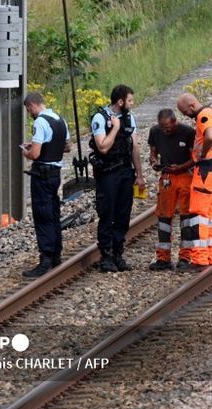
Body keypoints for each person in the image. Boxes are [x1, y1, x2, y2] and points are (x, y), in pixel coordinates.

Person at [89, 84, 145, 272]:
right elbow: (103, 147)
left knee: (123, 214)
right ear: (120, 102)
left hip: (125, 172)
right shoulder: (101, 118)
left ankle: (118, 253)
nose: (132, 103)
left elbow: (135, 147)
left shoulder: (129, 118)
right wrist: (115, 129)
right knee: (107, 213)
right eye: (129, 100)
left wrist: (139, 174)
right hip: (108, 173)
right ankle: (105, 256)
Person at [21, 92, 71, 278]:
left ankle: (46, 258)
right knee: (53, 212)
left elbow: (35, 154)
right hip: (55, 173)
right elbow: (67, 147)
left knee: (42, 215)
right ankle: (56, 253)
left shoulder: (40, 122)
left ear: (33, 105)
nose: (29, 113)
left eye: (28, 110)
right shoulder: (60, 120)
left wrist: (26, 152)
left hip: (42, 175)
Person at [177, 93, 212, 271]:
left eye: (184, 111)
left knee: (198, 214)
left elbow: (211, 135)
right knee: (209, 216)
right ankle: (211, 255)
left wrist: (203, 154)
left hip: (206, 169)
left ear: (191, 105)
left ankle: (199, 259)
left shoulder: (203, 116)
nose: (184, 115)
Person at [147, 109, 196, 271]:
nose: (165, 130)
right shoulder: (155, 131)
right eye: (162, 127)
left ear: (175, 122)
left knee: (187, 217)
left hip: (185, 176)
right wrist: (154, 161)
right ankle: (163, 258)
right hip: (167, 177)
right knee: (163, 217)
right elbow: (153, 150)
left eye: (167, 127)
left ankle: (185, 257)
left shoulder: (188, 132)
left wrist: (180, 167)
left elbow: (195, 157)